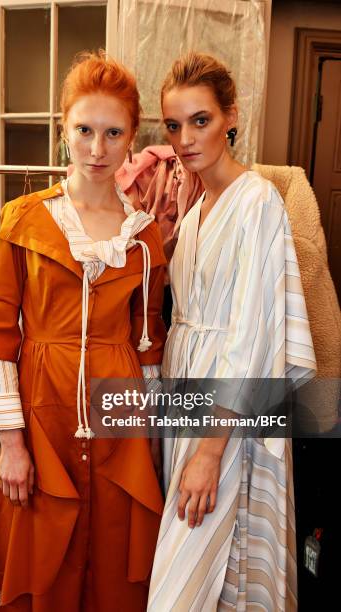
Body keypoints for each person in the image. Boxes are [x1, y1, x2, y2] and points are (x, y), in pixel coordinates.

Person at [0, 52, 166, 611]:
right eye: (85, 130)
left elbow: (152, 350)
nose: (98, 149)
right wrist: (12, 444)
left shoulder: (147, 239)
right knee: (38, 558)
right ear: (63, 130)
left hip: (121, 421)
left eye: (113, 132)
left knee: (116, 565)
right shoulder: (25, 217)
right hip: (43, 415)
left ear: (131, 137)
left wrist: (157, 445)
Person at [147, 52, 317, 612]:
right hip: (189, 403)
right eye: (174, 125)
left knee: (194, 580)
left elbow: (250, 334)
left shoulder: (257, 201)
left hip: (229, 417)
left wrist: (210, 450)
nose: (185, 138)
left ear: (231, 118)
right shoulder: (196, 212)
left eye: (201, 120)